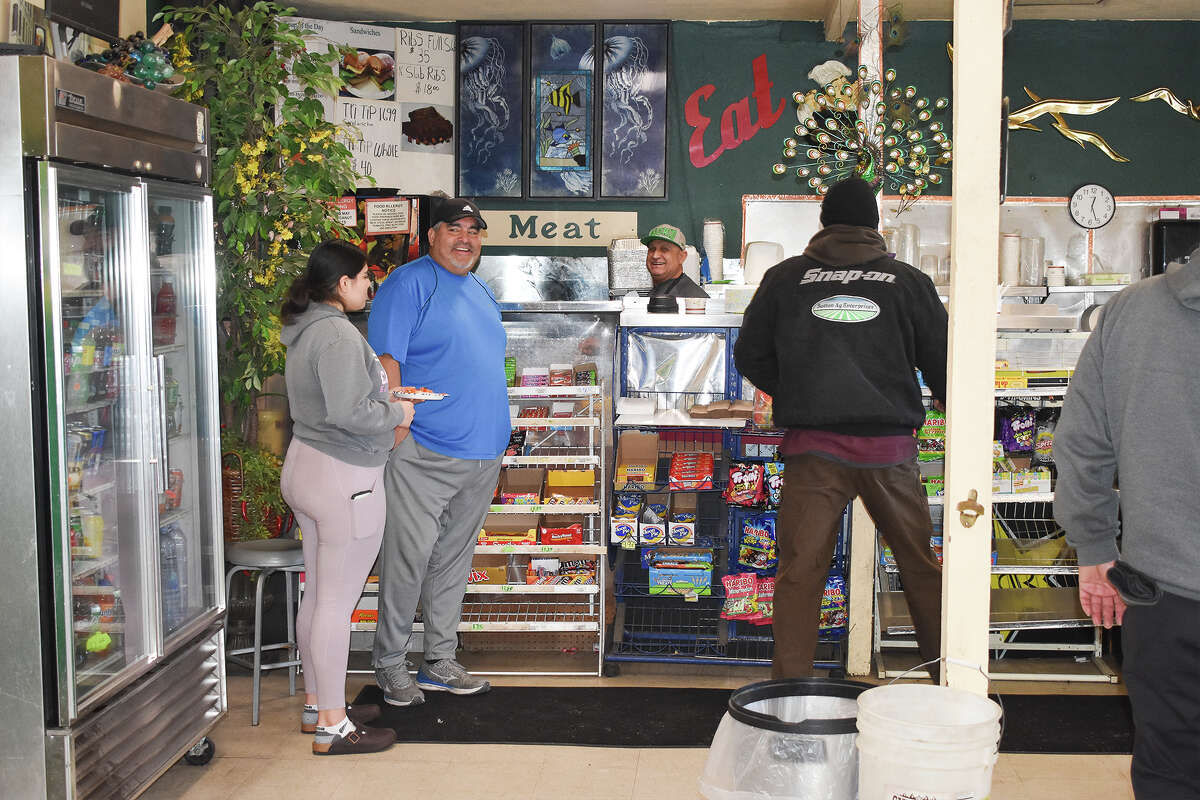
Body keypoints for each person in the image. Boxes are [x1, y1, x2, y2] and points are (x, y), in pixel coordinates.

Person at [733, 177, 947, 680]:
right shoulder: (909, 281)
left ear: (824, 222)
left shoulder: (786, 278)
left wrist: (795, 391)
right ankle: (947, 681)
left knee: (800, 575)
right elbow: (943, 361)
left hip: (814, 451)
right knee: (919, 569)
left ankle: (789, 693)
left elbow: (749, 353)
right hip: (890, 452)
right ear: (873, 224)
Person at [1053, 258, 1200, 800]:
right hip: (1161, 585)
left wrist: (1093, 546)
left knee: (1171, 769)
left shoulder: (1134, 310)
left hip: (1164, 595)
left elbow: (1083, 439)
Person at [367, 197, 510, 705]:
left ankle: (439, 660)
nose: (465, 239)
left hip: (483, 451)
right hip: (424, 448)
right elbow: (387, 362)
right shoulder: (408, 283)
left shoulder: (479, 290)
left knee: (453, 559)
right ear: (432, 235)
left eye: (474, 231)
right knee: (408, 559)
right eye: (455, 229)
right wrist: (399, 430)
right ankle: (388, 663)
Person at [279, 239, 414, 756]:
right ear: (342, 284)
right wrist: (396, 414)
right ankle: (333, 727)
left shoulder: (305, 327)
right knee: (336, 604)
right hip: (344, 476)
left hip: (308, 464)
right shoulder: (335, 334)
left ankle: (320, 701)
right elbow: (349, 412)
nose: (369, 287)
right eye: (364, 279)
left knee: (317, 596)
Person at [641, 224, 709, 298]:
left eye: (664, 249)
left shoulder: (692, 299)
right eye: (652, 249)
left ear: (682, 257)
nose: (655, 255)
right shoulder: (661, 291)